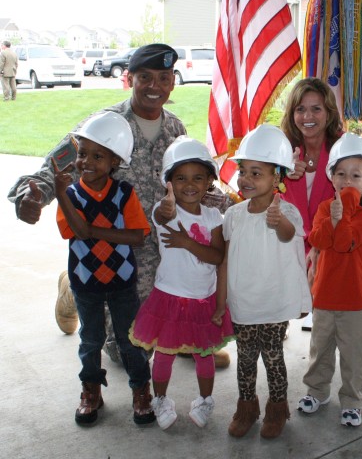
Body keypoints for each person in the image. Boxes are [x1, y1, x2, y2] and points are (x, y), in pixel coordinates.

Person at [6, 43, 233, 369]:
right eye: (145, 77)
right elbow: (54, 168)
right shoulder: (103, 125)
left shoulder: (175, 129)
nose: (155, 87)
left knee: (198, 275)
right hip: (115, 247)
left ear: (173, 81)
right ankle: (73, 287)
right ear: (130, 78)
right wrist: (32, 198)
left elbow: (197, 185)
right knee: (128, 353)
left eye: (164, 78)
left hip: (168, 243)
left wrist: (235, 203)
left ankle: (180, 338)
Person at [53, 111, 155, 426]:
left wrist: (94, 230)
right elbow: (74, 231)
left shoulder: (124, 194)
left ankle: (141, 391)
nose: (87, 162)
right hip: (86, 283)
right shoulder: (70, 195)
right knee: (90, 339)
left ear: (114, 162)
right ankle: (91, 391)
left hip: (122, 282)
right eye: (83, 153)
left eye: (98, 156)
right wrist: (60, 193)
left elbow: (137, 237)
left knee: (130, 340)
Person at [129, 136, 234, 430]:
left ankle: (205, 399)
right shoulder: (165, 211)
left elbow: (216, 256)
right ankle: (160, 398)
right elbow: (164, 215)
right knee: (163, 355)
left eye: (198, 177)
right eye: (181, 178)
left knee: (205, 355)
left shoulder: (214, 216)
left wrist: (187, 242)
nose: (190, 184)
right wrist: (167, 206)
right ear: (169, 183)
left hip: (203, 299)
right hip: (170, 298)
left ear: (210, 181)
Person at [217, 124, 312, 439]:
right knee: (245, 360)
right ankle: (247, 407)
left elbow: (290, 239)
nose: (245, 179)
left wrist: (278, 220)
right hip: (243, 302)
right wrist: (221, 302)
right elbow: (226, 258)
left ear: (278, 179)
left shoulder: (288, 213)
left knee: (273, 358)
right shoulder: (234, 215)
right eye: (243, 171)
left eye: (256, 173)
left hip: (272, 304)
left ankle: (277, 408)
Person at [297, 133, 362, 428]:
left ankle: (351, 401)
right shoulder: (324, 208)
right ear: (331, 177)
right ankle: (317, 391)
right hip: (324, 297)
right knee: (319, 349)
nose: (347, 181)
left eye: (356, 176)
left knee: (353, 355)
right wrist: (331, 218)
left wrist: (341, 216)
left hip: (356, 301)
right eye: (341, 174)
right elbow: (317, 239)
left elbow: (345, 243)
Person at [280, 77, 345, 331]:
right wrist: (281, 172)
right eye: (300, 109)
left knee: (324, 309)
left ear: (328, 113)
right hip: (288, 238)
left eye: (316, 109)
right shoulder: (281, 147)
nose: (308, 116)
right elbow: (256, 188)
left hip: (328, 239)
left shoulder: (342, 148)